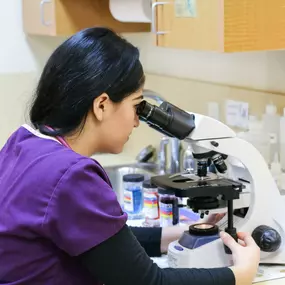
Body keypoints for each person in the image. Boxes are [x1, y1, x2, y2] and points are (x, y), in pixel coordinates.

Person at [0, 27, 260, 285]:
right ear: (101, 105)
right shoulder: (71, 176)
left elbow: (103, 239)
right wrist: (239, 276)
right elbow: (146, 282)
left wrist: (182, 234)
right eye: (137, 106)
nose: (137, 121)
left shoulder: (25, 142)